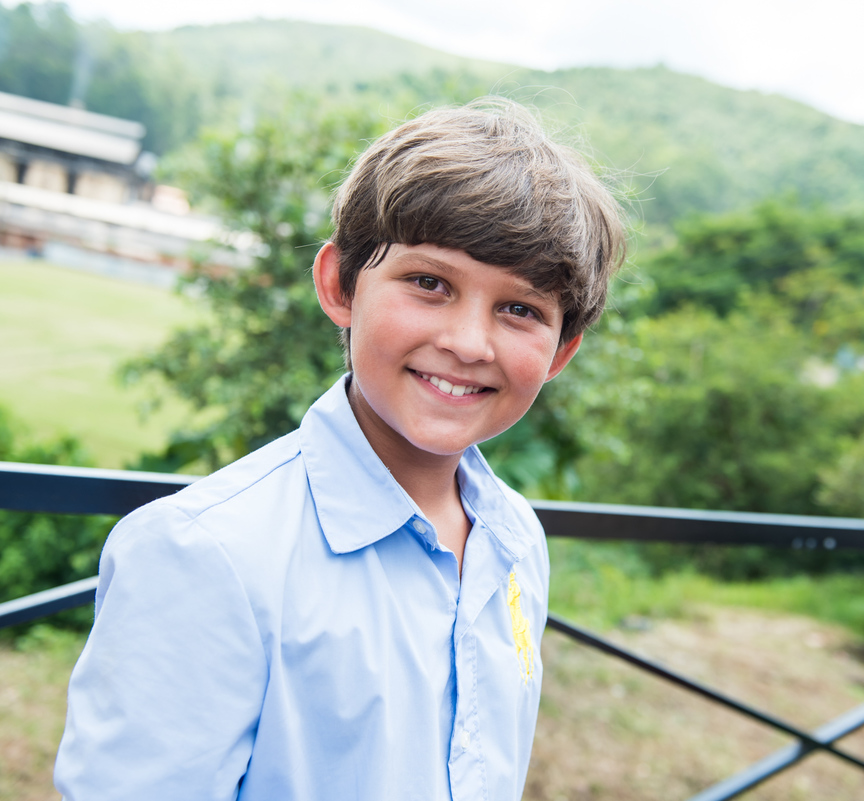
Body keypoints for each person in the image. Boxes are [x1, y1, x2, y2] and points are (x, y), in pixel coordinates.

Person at [54, 98, 625, 801]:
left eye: (520, 309)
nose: (469, 343)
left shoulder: (514, 538)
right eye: (429, 283)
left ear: (562, 350)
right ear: (339, 285)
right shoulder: (209, 554)